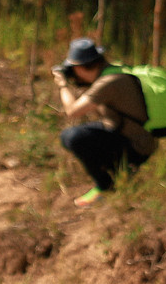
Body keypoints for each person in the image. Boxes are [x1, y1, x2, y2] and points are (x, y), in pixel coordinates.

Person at [51, 37, 155, 206]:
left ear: (79, 67)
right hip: (131, 136)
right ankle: (121, 174)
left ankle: (106, 187)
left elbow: (72, 111)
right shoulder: (114, 71)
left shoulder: (109, 82)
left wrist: (63, 84)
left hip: (136, 146)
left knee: (73, 137)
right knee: (77, 135)